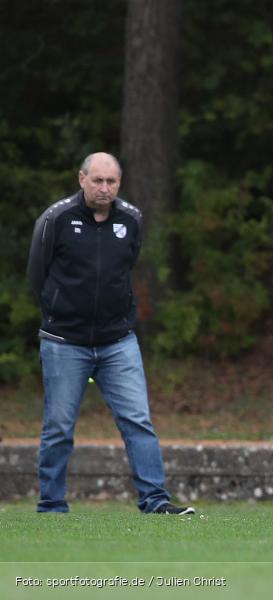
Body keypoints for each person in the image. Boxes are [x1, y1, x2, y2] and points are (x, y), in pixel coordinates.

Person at [26, 152, 194, 515]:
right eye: (98, 181)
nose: (104, 188)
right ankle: (52, 504)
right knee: (58, 426)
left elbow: (126, 266)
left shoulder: (131, 220)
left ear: (119, 183)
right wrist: (60, 314)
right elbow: (36, 275)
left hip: (118, 341)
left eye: (111, 182)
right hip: (63, 341)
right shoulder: (56, 218)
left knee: (138, 420)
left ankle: (155, 501)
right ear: (81, 179)